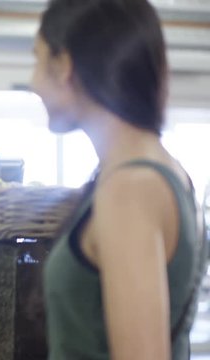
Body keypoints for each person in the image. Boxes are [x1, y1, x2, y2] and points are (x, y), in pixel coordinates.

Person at [35, 1, 207, 359]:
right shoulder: (157, 172)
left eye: (37, 60)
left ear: (65, 66)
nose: (33, 82)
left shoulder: (131, 189)